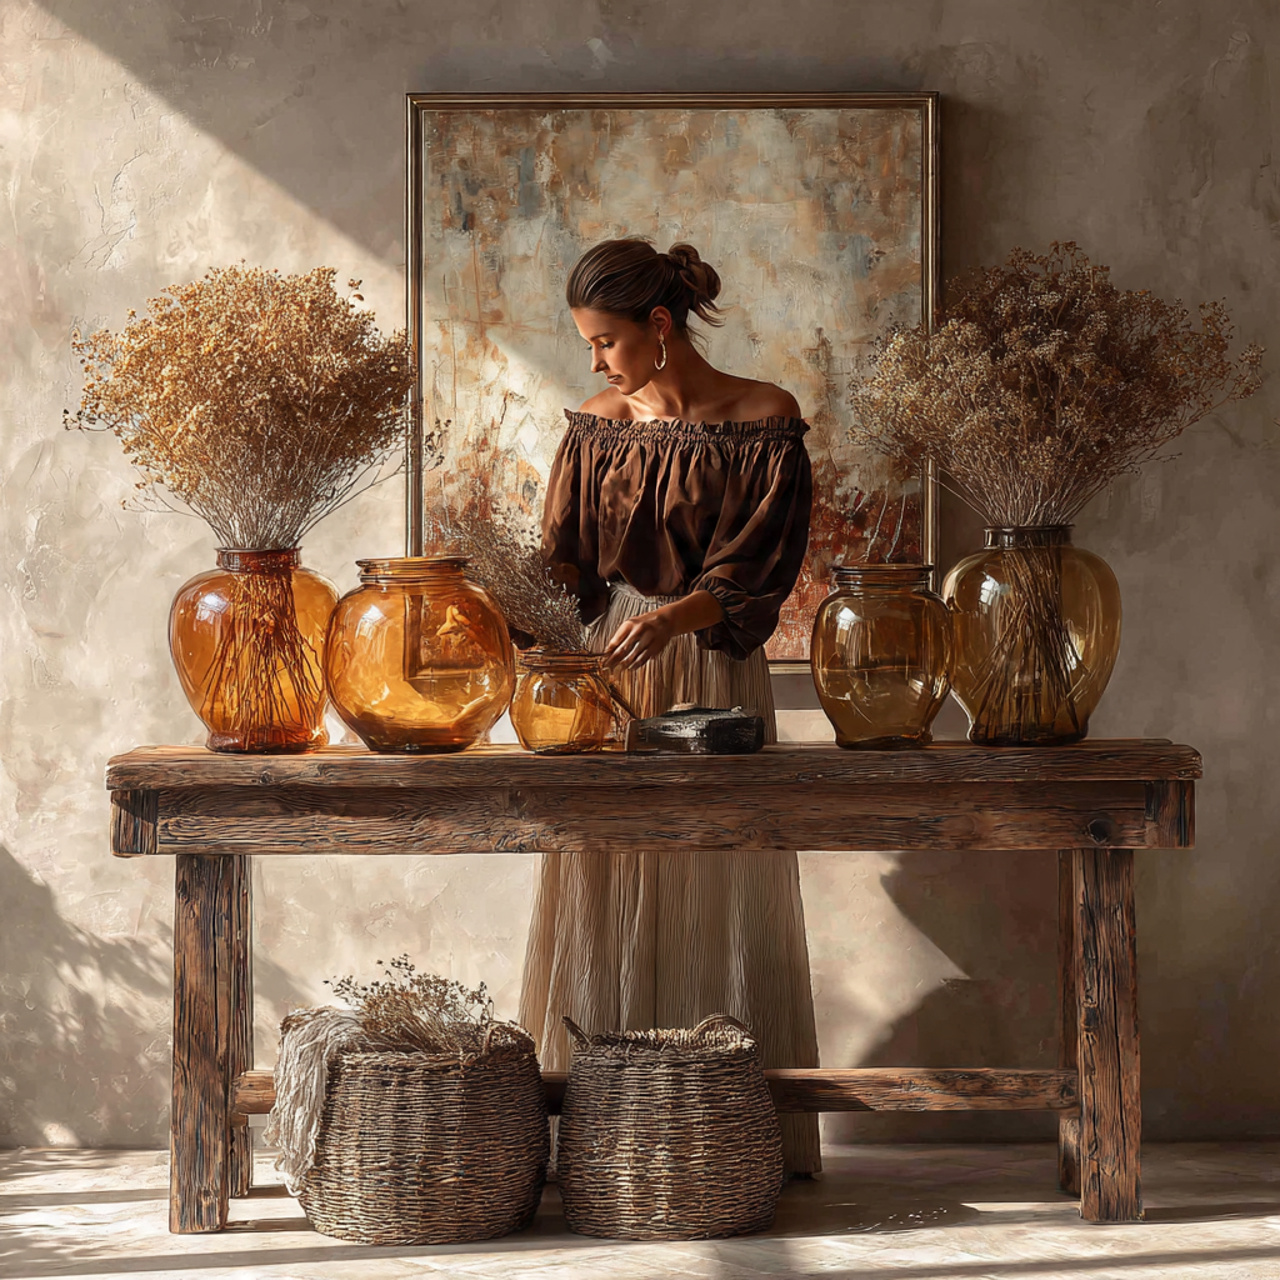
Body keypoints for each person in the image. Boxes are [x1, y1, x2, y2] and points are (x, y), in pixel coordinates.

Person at [518, 238, 821, 1173]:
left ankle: (734, 1133)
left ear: (658, 326)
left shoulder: (765, 419)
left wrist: (675, 619)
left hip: (714, 676)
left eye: (605, 341)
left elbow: (762, 567)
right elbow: (562, 568)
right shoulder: (595, 428)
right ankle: (607, 1136)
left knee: (723, 884)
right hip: (614, 679)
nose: (596, 362)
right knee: (608, 881)